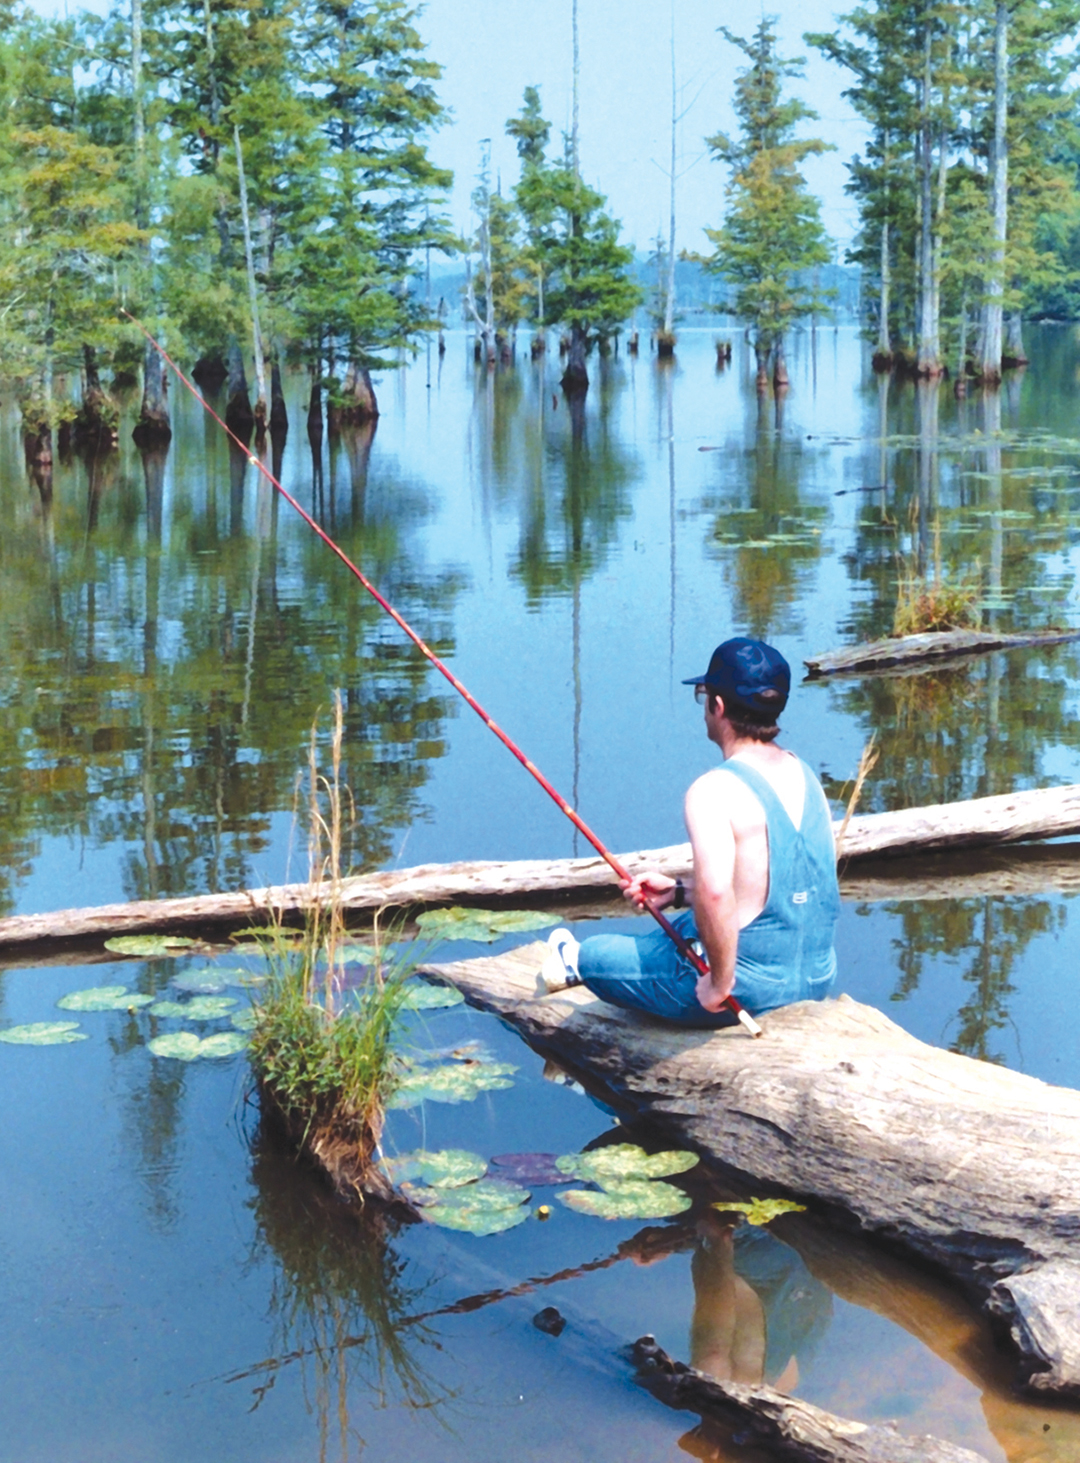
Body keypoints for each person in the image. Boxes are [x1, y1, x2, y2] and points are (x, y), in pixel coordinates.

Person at [539, 637, 841, 1027]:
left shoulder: (713, 790)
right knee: (688, 921)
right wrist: (681, 892)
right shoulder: (805, 774)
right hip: (815, 981)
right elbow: (781, 888)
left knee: (597, 953)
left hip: (744, 993)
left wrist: (719, 984)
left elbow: (718, 893)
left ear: (717, 706)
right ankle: (665, 948)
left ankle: (571, 960)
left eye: (704, 697)